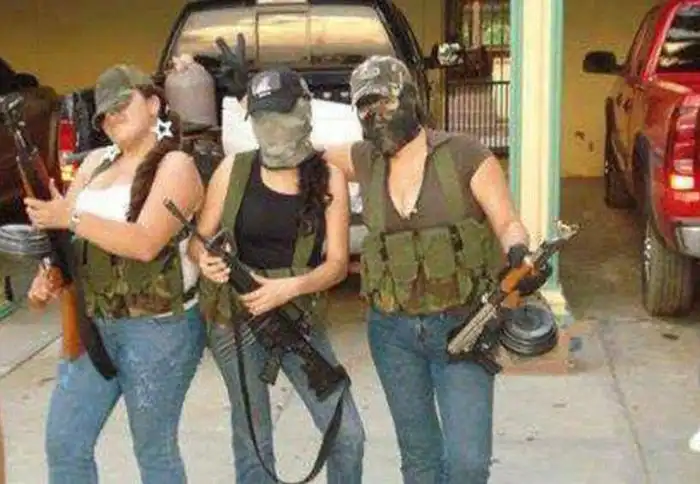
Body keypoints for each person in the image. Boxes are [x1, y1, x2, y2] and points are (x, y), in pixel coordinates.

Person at [322, 55, 551, 484]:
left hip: (462, 325)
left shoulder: (463, 154)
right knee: (420, 460)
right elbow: (305, 158)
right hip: (391, 332)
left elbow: (506, 221)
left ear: (411, 98)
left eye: (385, 102)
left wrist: (519, 252)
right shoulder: (365, 159)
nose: (376, 115)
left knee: (468, 463)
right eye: (365, 106)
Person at [24, 64, 206, 484]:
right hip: (93, 323)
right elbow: (67, 239)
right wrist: (49, 274)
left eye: (122, 104)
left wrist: (69, 217)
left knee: (153, 451)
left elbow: (145, 242)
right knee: (65, 442)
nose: (112, 116)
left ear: (154, 103)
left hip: (158, 329)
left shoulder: (175, 165)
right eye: (104, 113)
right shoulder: (94, 163)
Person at [188, 66, 365, 484]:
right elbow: (199, 239)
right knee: (252, 441)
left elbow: (337, 264)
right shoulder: (233, 170)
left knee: (347, 433)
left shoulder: (328, 177)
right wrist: (205, 260)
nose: (272, 127)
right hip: (235, 320)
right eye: (263, 117)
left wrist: (288, 288)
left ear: (303, 112)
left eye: (281, 114)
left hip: (297, 318)